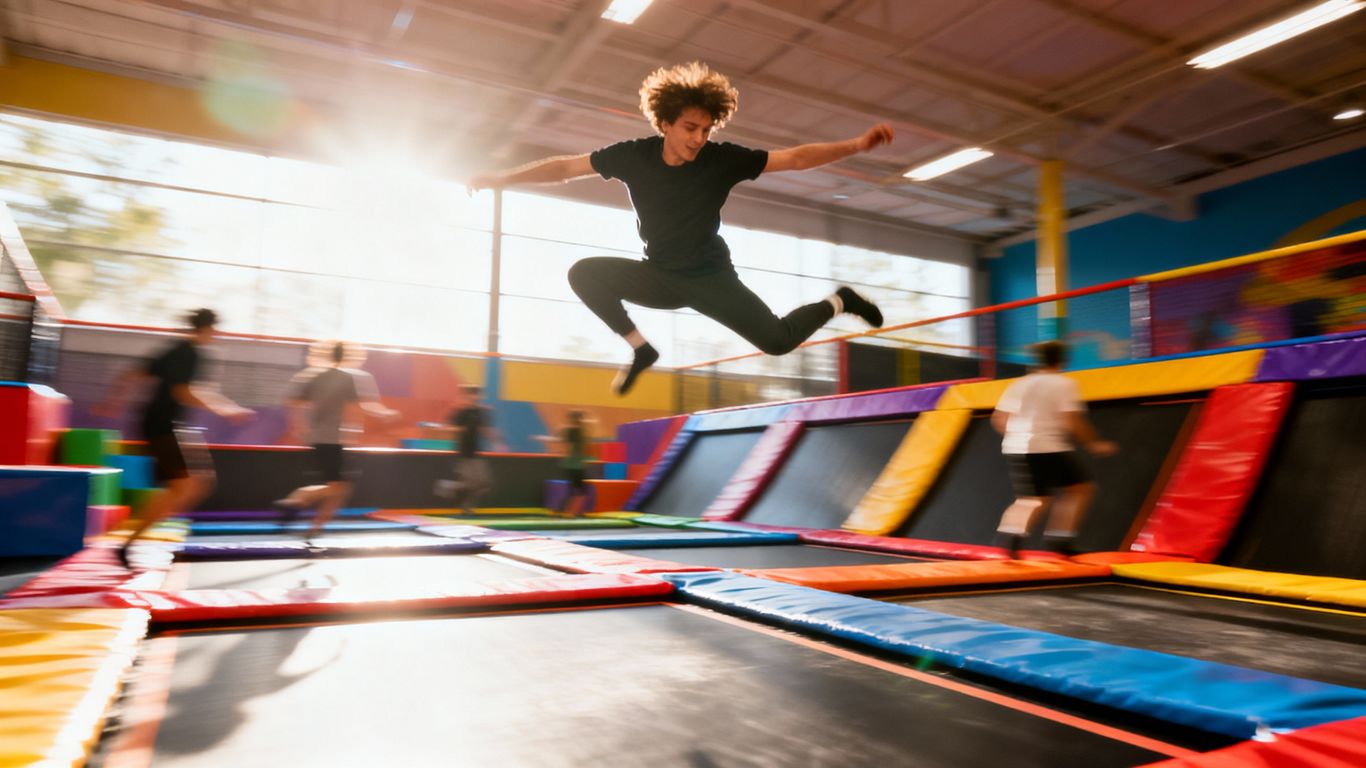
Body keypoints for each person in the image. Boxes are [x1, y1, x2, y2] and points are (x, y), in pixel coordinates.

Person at [469, 61, 894, 395]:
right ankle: (641, 347)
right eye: (690, 128)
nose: (698, 139)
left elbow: (795, 159)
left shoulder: (720, 160)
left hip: (710, 278)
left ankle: (841, 301)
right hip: (659, 275)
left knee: (779, 341)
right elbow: (564, 167)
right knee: (583, 273)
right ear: (665, 123)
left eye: (706, 130)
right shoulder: (631, 156)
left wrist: (857, 145)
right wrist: (501, 178)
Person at [96, 308, 253, 569]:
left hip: (167, 424)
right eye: (215, 328)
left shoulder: (176, 350)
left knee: (198, 483)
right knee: (187, 486)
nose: (217, 333)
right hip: (162, 425)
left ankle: (133, 537)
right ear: (207, 328)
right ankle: (128, 541)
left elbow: (131, 374)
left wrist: (112, 402)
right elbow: (182, 392)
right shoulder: (189, 353)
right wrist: (224, 410)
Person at [991, 340, 1117, 558]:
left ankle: (1010, 535)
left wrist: (1018, 437)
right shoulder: (1063, 384)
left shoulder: (1019, 384)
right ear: (1062, 359)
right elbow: (1072, 421)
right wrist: (1094, 443)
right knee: (1080, 489)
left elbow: (999, 419)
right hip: (1048, 445)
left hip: (1018, 446)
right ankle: (1060, 539)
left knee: (1033, 498)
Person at [274, 340, 398, 547]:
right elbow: (365, 405)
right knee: (340, 489)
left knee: (338, 487)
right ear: (349, 355)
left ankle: (314, 527)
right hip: (335, 440)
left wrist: (300, 426)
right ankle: (296, 501)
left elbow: (292, 402)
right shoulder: (349, 377)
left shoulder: (313, 376)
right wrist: (386, 413)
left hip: (318, 440)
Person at [436, 385, 505, 515]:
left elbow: (484, 429)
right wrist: (459, 429)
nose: (475, 397)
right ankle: (465, 505)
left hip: (475, 451)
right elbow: (448, 427)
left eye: (477, 394)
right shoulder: (461, 412)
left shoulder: (480, 412)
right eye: (471, 394)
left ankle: (453, 490)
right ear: (466, 396)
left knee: (484, 483)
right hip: (463, 452)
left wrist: (496, 440)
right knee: (472, 483)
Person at [536, 409, 594, 516]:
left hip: (569, 464)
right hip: (576, 465)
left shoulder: (572, 430)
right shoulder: (580, 431)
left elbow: (559, 440)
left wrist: (543, 438)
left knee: (574, 490)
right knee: (581, 491)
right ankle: (571, 512)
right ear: (580, 419)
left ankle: (566, 511)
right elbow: (580, 444)